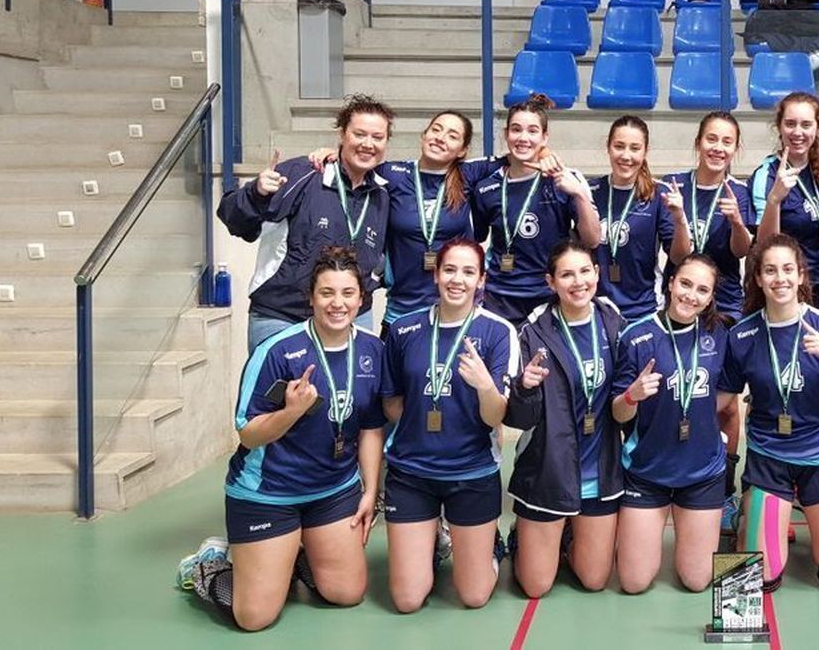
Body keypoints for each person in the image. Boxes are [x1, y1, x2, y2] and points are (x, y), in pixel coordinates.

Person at [177, 247, 386, 631]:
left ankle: (292, 556)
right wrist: (290, 412)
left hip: (334, 491)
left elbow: (372, 426)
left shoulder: (373, 349)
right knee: (254, 618)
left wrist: (370, 491)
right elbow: (248, 434)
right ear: (311, 297)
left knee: (347, 593)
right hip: (269, 493)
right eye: (326, 293)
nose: (337, 303)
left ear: (361, 298)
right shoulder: (277, 351)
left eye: (347, 293)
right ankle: (210, 563)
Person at [379, 238, 519, 611]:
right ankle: (436, 539)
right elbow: (392, 402)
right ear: (437, 274)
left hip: (471, 473)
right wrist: (422, 428)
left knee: (473, 596)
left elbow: (496, 416)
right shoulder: (404, 330)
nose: (458, 279)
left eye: (469, 272)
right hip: (412, 472)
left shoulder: (498, 332)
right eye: (450, 270)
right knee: (407, 600)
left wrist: (485, 385)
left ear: (481, 280)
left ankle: (490, 543)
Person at [717, 234, 819, 591]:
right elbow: (722, 399)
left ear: (800, 275)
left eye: (787, 270)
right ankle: (754, 513)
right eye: (770, 271)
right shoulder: (742, 334)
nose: (779, 278)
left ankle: (807, 520)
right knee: (760, 578)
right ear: (758, 279)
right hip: (769, 458)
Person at [218, 95, 394, 350]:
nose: (368, 144)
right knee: (276, 391)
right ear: (342, 135)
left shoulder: (383, 194)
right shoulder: (304, 173)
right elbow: (235, 221)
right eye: (359, 134)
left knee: (348, 391)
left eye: (377, 137)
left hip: (350, 319)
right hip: (283, 317)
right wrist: (255, 193)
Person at [504, 240, 629, 597]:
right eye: (567, 274)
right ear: (551, 282)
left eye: (585, 271)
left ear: (597, 274)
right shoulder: (532, 331)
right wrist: (524, 388)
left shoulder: (612, 320)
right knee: (535, 586)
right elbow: (518, 418)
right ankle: (520, 538)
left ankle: (570, 531)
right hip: (548, 472)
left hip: (599, 471)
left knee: (594, 580)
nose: (578, 281)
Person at [612, 255, 731, 592]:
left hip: (702, 473)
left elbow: (727, 394)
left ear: (710, 297)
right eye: (685, 284)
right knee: (634, 582)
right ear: (671, 282)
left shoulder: (719, 333)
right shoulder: (636, 335)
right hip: (648, 472)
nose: (691, 295)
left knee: (696, 581)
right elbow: (618, 413)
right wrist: (632, 396)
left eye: (702, 290)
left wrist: (700, 414)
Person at [307, 110, 484, 334]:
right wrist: (334, 153)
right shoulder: (392, 173)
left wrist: (544, 152)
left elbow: (518, 158)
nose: (440, 137)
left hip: (453, 310)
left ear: (463, 150)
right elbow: (355, 163)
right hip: (402, 310)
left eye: (452, 135)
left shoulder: (470, 175)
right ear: (424, 135)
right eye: (436, 129)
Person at [471, 93, 603, 323]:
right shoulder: (486, 187)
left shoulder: (565, 179)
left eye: (532, 131)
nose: (523, 138)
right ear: (506, 135)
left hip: (550, 296)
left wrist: (580, 195)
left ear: (544, 137)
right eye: (516, 129)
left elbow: (592, 240)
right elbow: (477, 239)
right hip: (500, 298)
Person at [665, 112, 755, 318]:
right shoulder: (674, 185)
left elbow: (741, 252)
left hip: (725, 300)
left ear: (735, 149)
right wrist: (679, 218)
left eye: (727, 142)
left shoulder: (739, 192)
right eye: (711, 139)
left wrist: (736, 222)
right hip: (681, 297)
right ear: (698, 143)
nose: (718, 148)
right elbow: (678, 257)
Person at [591, 116, 677, 321]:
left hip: (644, 309)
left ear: (645, 151)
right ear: (608, 148)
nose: (626, 155)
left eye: (635, 148)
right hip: (596, 309)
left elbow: (679, 256)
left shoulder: (659, 194)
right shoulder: (590, 190)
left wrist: (681, 220)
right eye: (619, 146)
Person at [752, 92, 819, 301]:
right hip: (779, 286)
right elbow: (764, 244)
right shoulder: (766, 174)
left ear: (817, 127)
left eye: (806, 124)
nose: (798, 132)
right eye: (790, 124)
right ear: (779, 127)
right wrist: (775, 199)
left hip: (817, 283)